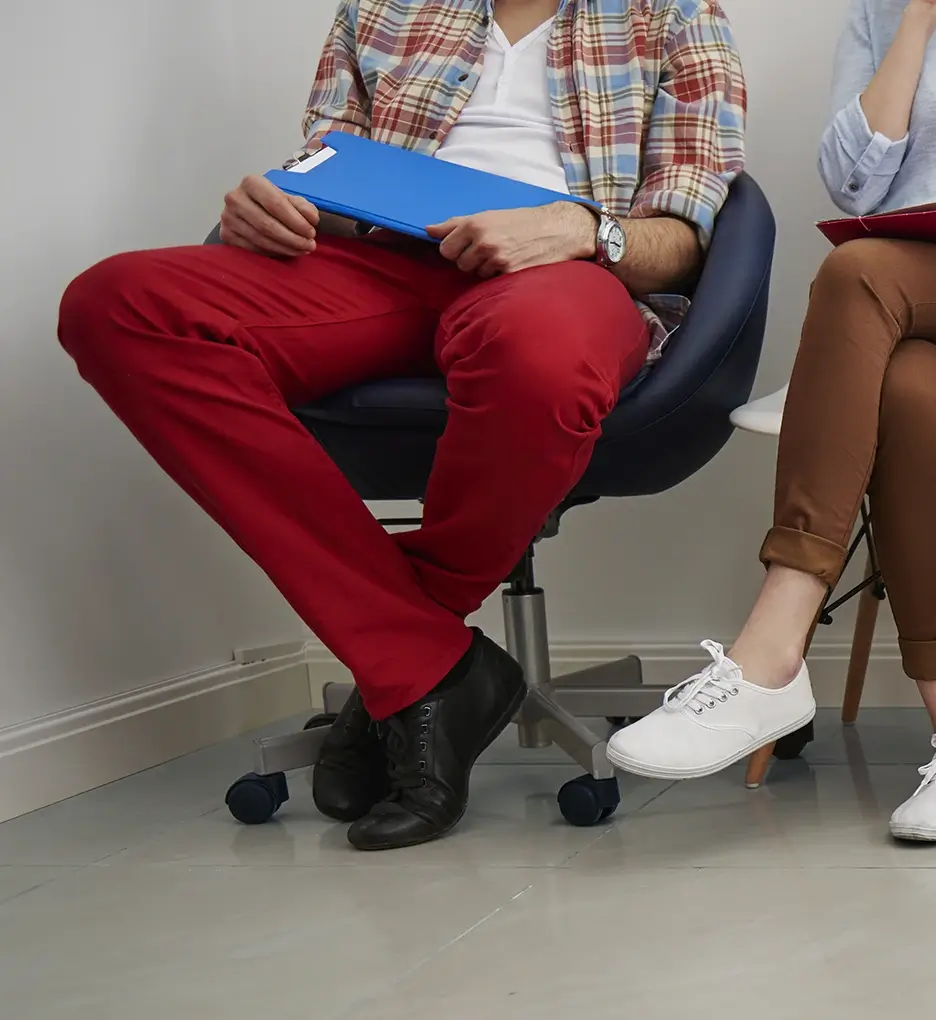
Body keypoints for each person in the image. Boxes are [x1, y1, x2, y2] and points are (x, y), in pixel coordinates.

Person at [57, 0, 747, 851]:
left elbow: (686, 235)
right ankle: (428, 663)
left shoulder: (673, 12)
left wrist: (583, 228)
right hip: (375, 267)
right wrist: (273, 202)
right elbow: (322, 167)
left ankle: (405, 662)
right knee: (119, 306)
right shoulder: (382, 9)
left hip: (559, 275)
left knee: (538, 352)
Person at [609, 0, 936, 844]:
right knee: (909, 394)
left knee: (857, 271)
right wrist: (917, 22)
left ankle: (775, 638)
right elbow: (852, 181)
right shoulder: (881, 19)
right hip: (901, 322)